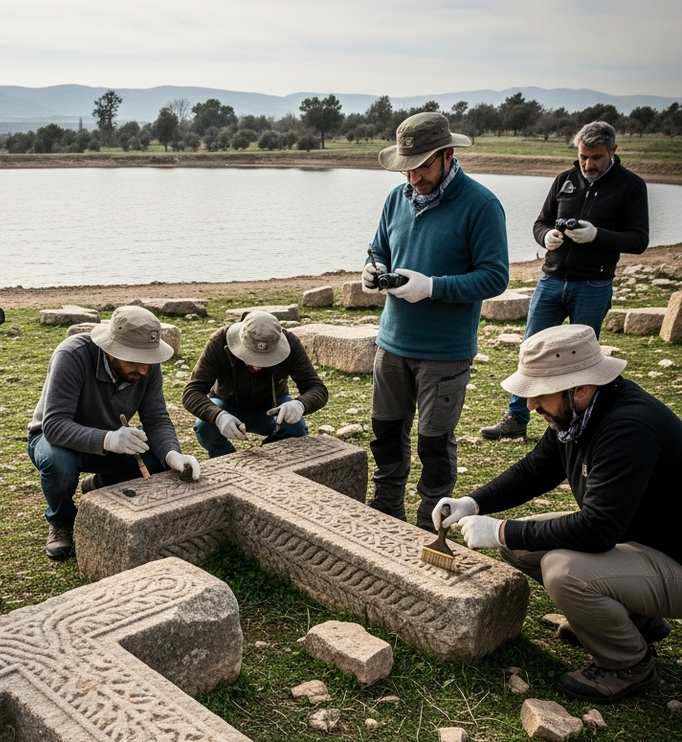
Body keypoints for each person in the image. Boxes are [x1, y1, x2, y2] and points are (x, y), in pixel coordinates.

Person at [434, 324, 681, 703]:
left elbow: (598, 529)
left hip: (674, 559)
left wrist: (499, 530)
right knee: (521, 545)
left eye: (539, 394)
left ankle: (628, 664)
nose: (530, 406)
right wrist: (474, 502)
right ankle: (635, 620)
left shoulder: (629, 427)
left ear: (578, 387)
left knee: (564, 572)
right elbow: (536, 469)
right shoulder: (579, 414)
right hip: (644, 541)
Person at [363, 111, 509, 530]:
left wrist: (433, 286)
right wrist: (373, 272)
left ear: (448, 155)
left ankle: (431, 522)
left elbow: (495, 276)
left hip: (444, 351)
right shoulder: (396, 198)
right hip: (392, 342)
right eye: (407, 167)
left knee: (433, 443)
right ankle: (386, 506)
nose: (414, 176)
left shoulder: (481, 204)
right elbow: (380, 248)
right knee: (385, 432)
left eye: (423, 165)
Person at [480, 121, 649, 441]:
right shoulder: (565, 180)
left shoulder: (631, 186)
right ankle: (516, 418)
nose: (588, 164)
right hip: (551, 279)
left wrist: (596, 235)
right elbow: (540, 223)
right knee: (531, 349)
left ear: (613, 151)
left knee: (581, 359)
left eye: (596, 157)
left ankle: (580, 423)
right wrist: (548, 238)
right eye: (583, 156)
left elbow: (639, 239)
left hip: (593, 285)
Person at [29, 306, 201, 560]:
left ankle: (98, 484)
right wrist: (108, 439)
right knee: (59, 463)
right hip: (55, 439)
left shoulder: (147, 366)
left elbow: (156, 418)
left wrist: (173, 455)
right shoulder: (72, 354)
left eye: (147, 361)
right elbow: (54, 425)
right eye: (134, 360)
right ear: (111, 350)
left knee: (158, 461)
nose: (143, 371)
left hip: (111, 441)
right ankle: (62, 520)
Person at [182, 310, 328, 457]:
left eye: (267, 359)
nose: (257, 366)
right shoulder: (219, 341)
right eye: (251, 357)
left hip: (272, 407)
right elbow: (192, 392)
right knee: (205, 427)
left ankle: (269, 456)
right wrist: (218, 416)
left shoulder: (291, 344)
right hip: (227, 404)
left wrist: (300, 404)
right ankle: (226, 458)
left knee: (295, 428)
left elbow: (316, 388)